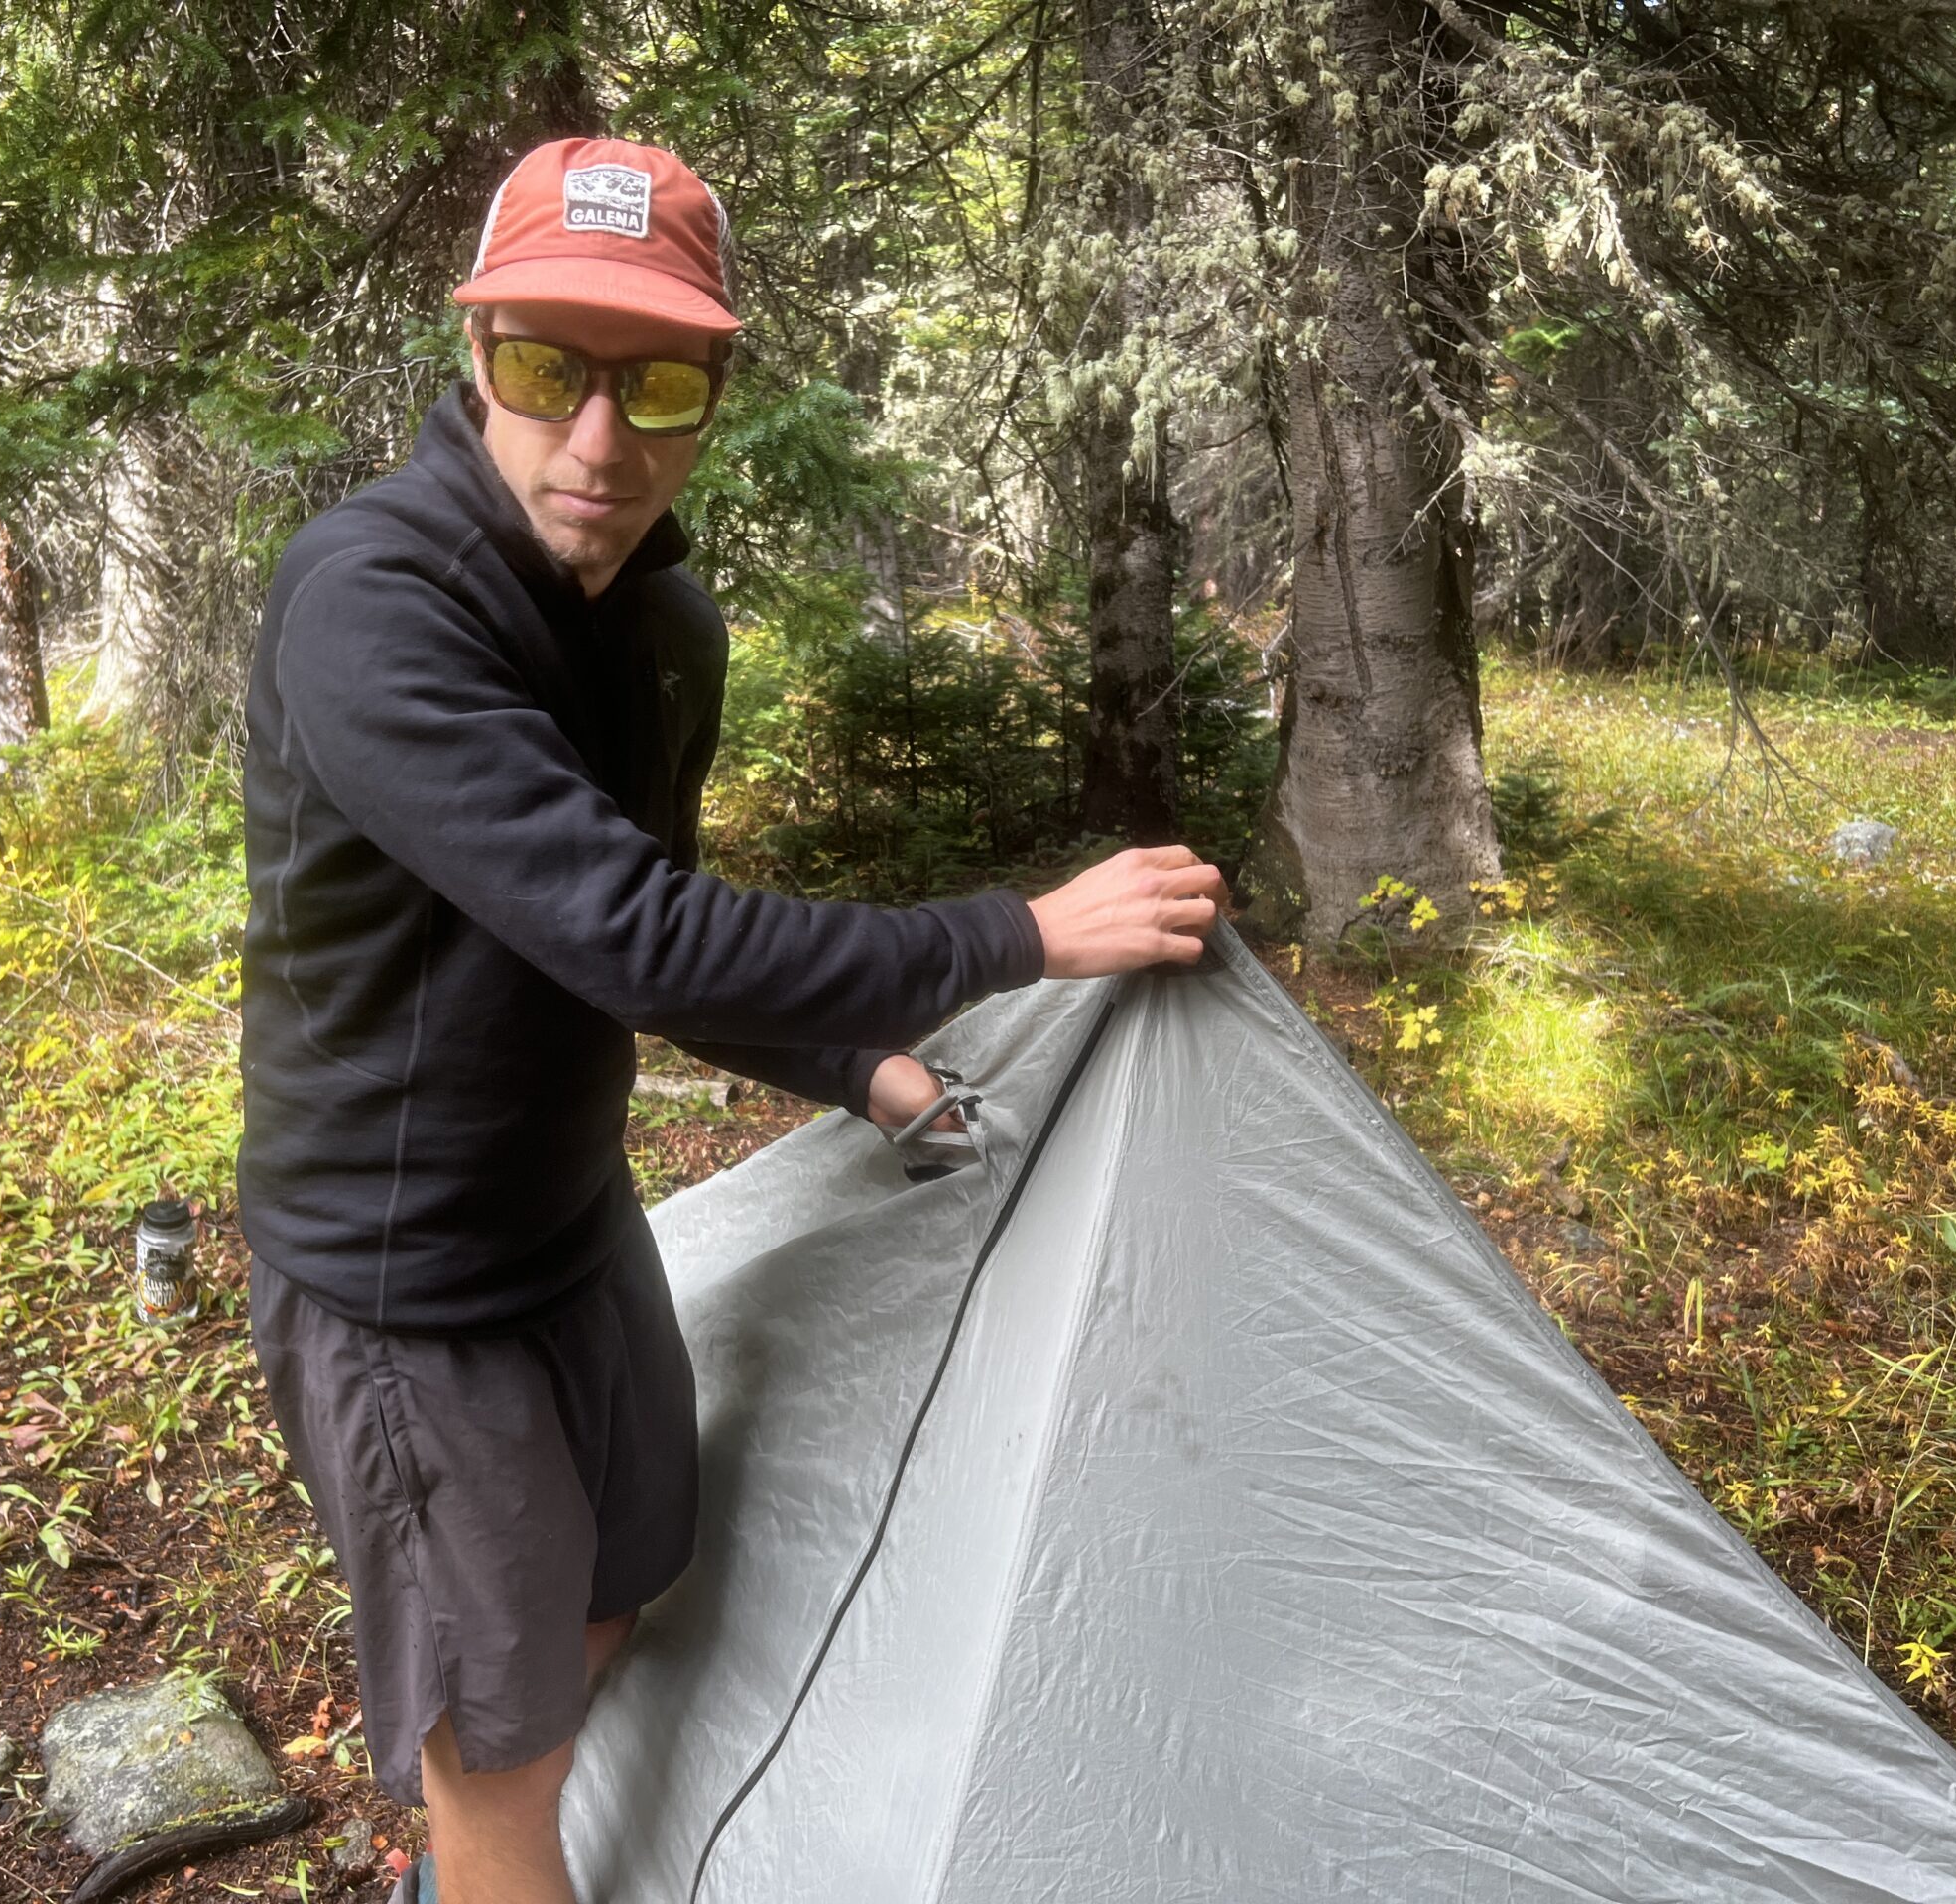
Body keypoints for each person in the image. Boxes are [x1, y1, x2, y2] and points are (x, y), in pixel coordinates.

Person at [238, 135, 1226, 1904]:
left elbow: (627, 935)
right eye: (549, 370)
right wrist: (1017, 935)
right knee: (502, 1756)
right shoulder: (372, 609)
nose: (598, 439)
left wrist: (852, 1059)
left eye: (657, 382)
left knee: (623, 1578)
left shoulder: (664, 624)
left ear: (713, 402)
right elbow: (636, 933)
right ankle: (484, 1858)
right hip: (408, 1295)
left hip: (569, 1227)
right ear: (476, 362)